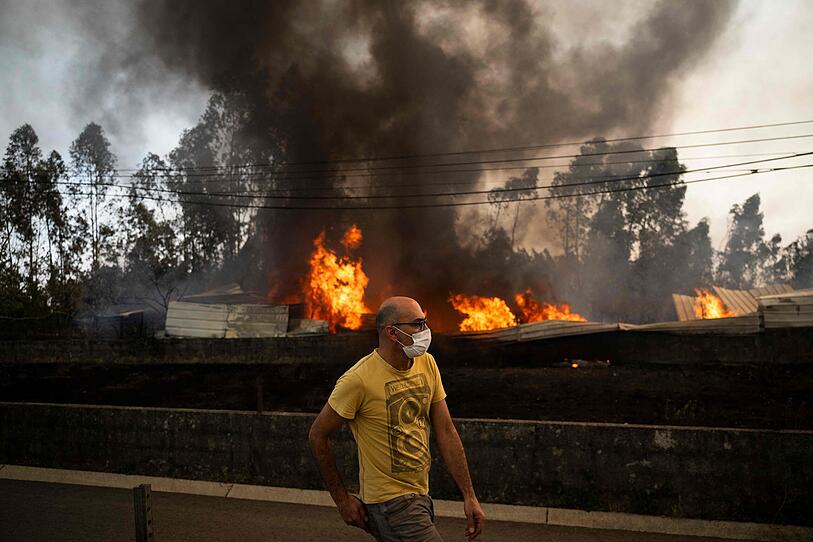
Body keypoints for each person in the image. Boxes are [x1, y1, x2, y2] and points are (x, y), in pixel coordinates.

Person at [309, 296, 485, 541]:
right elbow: (318, 434)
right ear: (392, 333)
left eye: (425, 322)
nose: (425, 331)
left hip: (421, 495)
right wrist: (342, 500)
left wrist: (469, 495)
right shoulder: (358, 380)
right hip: (390, 504)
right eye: (417, 324)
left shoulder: (427, 363)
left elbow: (445, 430)